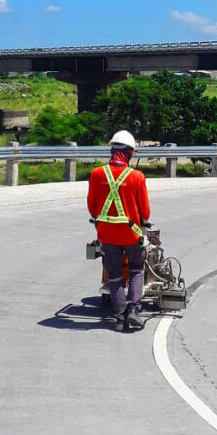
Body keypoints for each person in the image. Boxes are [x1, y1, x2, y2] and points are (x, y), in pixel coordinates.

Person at [87, 129, 151, 330]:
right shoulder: (137, 177)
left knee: (113, 275)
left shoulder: (97, 174)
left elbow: (92, 207)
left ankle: (120, 316)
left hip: (106, 234)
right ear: (129, 152)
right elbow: (145, 212)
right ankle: (133, 309)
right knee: (136, 269)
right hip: (130, 234)